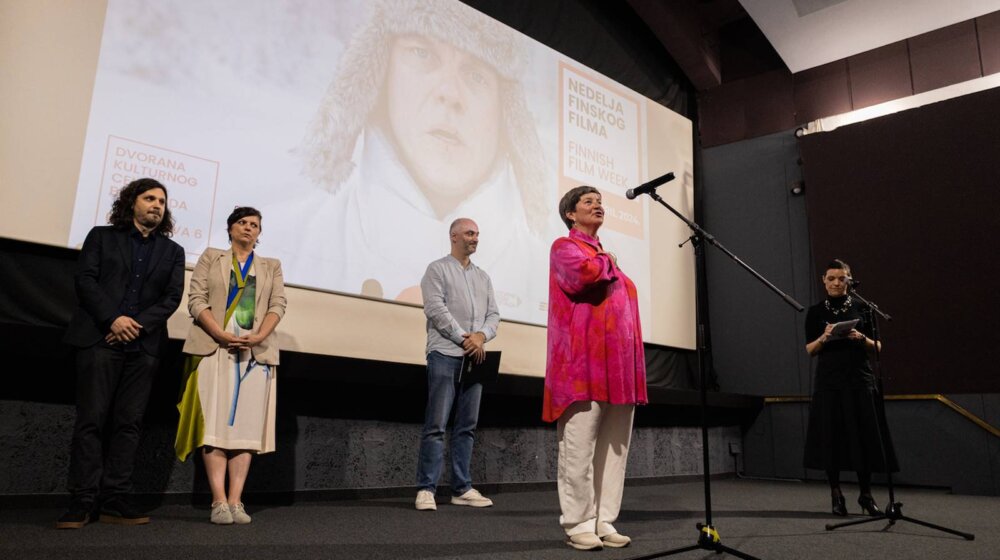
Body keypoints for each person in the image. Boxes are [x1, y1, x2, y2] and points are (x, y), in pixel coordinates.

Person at [273, 0, 549, 317]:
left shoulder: (548, 280)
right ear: (378, 74)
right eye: (422, 54)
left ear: (506, 111)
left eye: (475, 75)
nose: (449, 93)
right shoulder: (280, 246)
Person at [57, 178, 186, 529]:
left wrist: (135, 325)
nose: (157, 205)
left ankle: (115, 498)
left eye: (162, 201)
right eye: (149, 198)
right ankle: (82, 500)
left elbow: (172, 299)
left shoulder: (173, 251)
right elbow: (86, 280)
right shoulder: (101, 237)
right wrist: (113, 319)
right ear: (132, 203)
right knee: (91, 420)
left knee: (129, 423)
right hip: (100, 340)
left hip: (143, 347)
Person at [543, 186, 647, 551]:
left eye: (599, 201)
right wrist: (609, 261)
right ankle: (578, 522)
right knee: (579, 448)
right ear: (571, 213)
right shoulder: (565, 247)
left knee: (614, 449)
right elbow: (583, 277)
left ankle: (604, 519)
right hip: (582, 366)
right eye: (588, 201)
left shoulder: (605, 255)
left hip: (618, 368)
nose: (597, 205)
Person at [174, 207, 286, 525]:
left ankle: (236, 500)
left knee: (245, 430)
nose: (248, 228)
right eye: (242, 223)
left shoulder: (271, 266)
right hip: (215, 348)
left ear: (259, 233)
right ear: (230, 228)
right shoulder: (212, 257)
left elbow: (278, 304)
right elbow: (196, 300)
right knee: (216, 427)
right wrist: (220, 333)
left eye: (254, 225)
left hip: (255, 352)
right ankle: (218, 500)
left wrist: (259, 335)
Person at [414, 218, 500, 511]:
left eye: (477, 233)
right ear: (454, 237)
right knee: (436, 425)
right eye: (469, 233)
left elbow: (494, 316)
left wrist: (481, 336)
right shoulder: (437, 269)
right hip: (444, 354)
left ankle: (461, 488)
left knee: (467, 426)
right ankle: (426, 488)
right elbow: (435, 308)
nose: (475, 238)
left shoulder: (483, 277)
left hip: (475, 359)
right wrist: (464, 337)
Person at [803, 259, 897, 516]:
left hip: (859, 378)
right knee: (831, 436)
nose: (836, 283)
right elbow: (810, 350)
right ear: (824, 280)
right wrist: (825, 336)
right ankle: (836, 494)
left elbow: (877, 347)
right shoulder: (815, 312)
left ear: (849, 281)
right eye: (831, 278)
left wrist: (860, 337)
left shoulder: (863, 308)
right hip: (829, 381)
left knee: (863, 436)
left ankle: (866, 495)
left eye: (841, 278)